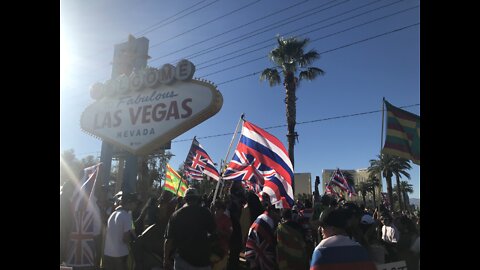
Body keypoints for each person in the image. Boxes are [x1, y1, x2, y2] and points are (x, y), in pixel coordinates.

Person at [164, 188, 216, 270]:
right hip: (202, 262)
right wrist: (212, 213)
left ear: (185, 199)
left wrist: (166, 259)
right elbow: (213, 232)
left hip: (182, 260)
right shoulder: (205, 213)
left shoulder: (175, 215)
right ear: (197, 198)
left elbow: (168, 240)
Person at [310, 208, 377, 270]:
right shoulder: (360, 250)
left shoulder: (321, 251)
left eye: (323, 227)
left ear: (333, 228)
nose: (320, 230)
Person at [103, 193, 140, 270]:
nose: (136, 205)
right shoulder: (126, 216)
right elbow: (125, 239)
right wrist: (134, 241)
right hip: (120, 255)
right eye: (135, 203)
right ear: (129, 203)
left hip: (108, 253)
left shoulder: (112, 214)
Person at [245, 203, 281, 270]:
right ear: (272, 212)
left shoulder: (262, 218)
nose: (279, 215)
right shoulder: (266, 222)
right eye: (278, 212)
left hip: (254, 255)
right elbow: (269, 243)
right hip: (259, 259)